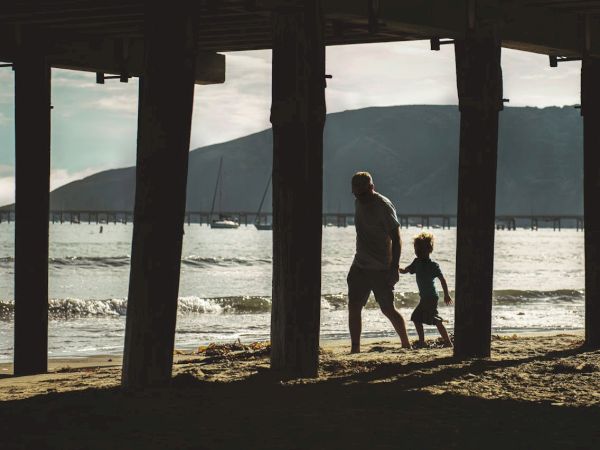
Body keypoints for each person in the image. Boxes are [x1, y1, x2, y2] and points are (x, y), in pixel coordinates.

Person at [347, 171, 411, 353]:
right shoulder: (358, 201)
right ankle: (355, 348)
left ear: (372, 188)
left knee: (387, 308)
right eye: (357, 194)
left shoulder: (383, 206)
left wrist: (394, 268)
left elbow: (396, 239)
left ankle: (406, 343)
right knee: (354, 306)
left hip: (381, 267)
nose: (361, 198)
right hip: (359, 264)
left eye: (364, 194)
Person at [399, 231, 453, 347]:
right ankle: (424, 342)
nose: (417, 252)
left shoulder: (433, 265)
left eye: (420, 250)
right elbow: (405, 271)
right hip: (425, 297)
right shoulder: (416, 262)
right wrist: (395, 266)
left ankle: (445, 342)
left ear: (429, 250)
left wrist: (446, 294)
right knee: (419, 318)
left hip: (431, 297)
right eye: (416, 249)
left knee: (422, 318)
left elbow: (442, 279)